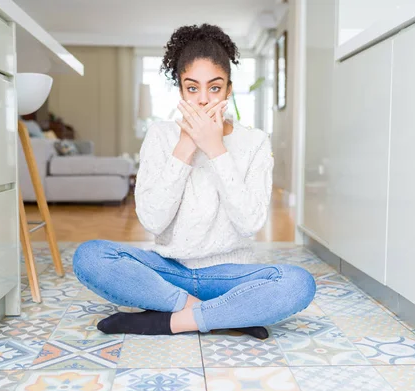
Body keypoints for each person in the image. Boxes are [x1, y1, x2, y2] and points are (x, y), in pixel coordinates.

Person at [73, 23, 316, 339]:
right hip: (169, 271)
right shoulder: (161, 136)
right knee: (89, 256)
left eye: (214, 88)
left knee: (298, 283)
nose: (203, 100)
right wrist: (186, 146)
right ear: (180, 90)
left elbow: (250, 223)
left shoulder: (254, 142)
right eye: (192, 88)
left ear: (228, 90)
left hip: (230, 276)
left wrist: (216, 150)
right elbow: (153, 220)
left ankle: (166, 321)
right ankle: (219, 314)